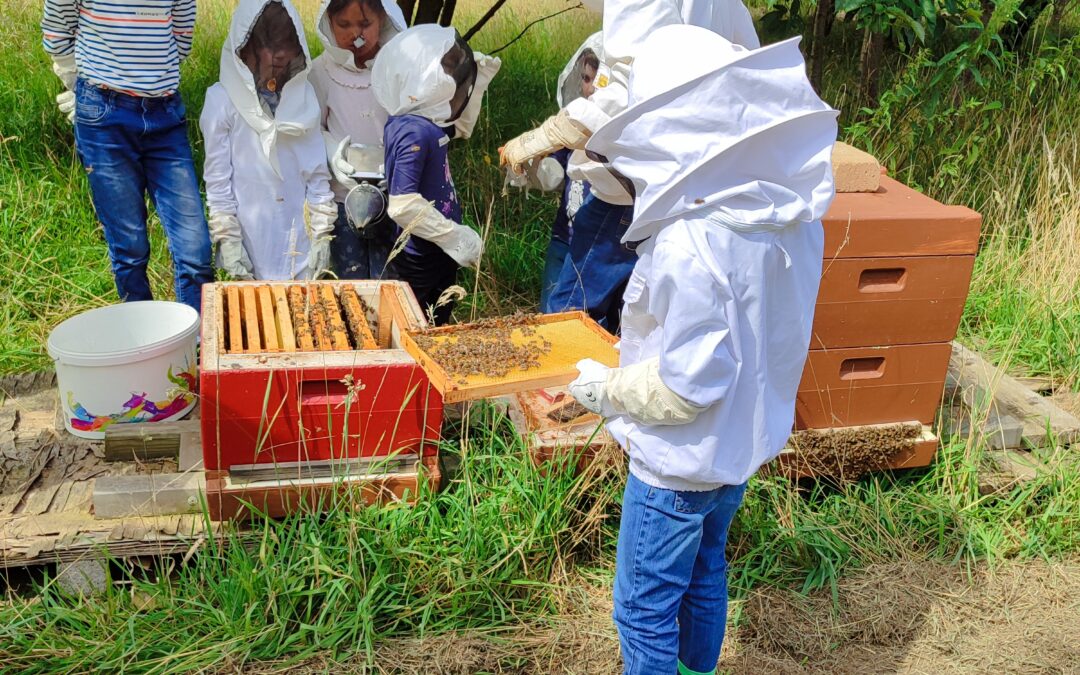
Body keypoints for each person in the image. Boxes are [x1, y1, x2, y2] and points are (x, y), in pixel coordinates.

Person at [567, 25, 838, 674]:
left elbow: (686, 386)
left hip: (677, 466)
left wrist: (607, 391)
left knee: (644, 609)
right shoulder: (791, 217)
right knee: (705, 568)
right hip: (740, 450)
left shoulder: (694, 237)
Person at [500, 0, 760, 331]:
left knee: (566, 317)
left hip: (630, 192)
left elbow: (624, 99)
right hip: (702, 190)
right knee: (639, 319)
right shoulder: (726, 8)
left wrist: (542, 136)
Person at [42, 0, 214, 311]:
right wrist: (77, 86)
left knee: (195, 249)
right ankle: (140, 342)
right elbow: (56, 31)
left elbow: (181, 40)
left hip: (165, 115)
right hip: (104, 116)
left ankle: (198, 349)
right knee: (130, 248)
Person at [200, 0, 337, 281]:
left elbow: (316, 173)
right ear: (246, 48)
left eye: (288, 45)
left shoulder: (303, 96)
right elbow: (217, 181)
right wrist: (228, 239)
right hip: (249, 243)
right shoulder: (221, 100)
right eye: (271, 46)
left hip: (299, 244)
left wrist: (322, 233)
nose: (281, 55)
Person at [371, 24, 499, 324]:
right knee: (410, 329)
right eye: (446, 69)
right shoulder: (412, 130)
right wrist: (454, 235)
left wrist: (478, 83)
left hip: (437, 249)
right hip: (417, 259)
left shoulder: (425, 122)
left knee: (437, 325)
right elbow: (402, 204)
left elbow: (462, 129)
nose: (453, 78)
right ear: (422, 76)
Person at [309, 0, 407, 279]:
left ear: (384, 19)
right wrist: (331, 151)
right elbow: (311, 128)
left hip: (392, 199)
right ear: (329, 20)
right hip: (342, 200)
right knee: (349, 282)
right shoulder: (321, 72)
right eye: (344, 25)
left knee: (388, 280)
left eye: (365, 24)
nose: (356, 34)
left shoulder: (396, 70)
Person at [540, 34, 601, 312]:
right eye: (585, 79)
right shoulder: (574, 126)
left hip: (598, 248)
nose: (589, 89)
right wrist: (533, 165)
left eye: (597, 81)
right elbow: (554, 170)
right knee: (549, 315)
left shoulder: (621, 136)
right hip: (563, 237)